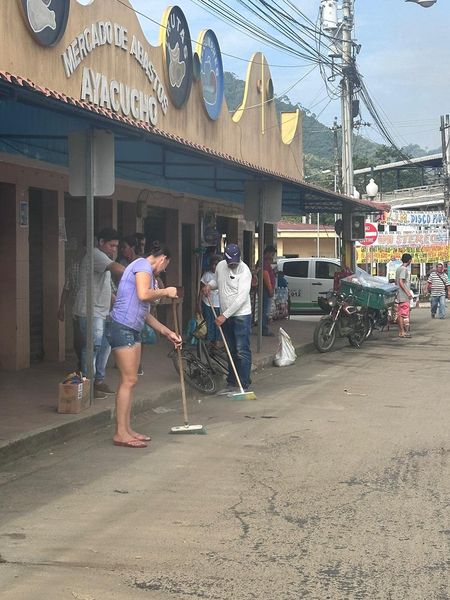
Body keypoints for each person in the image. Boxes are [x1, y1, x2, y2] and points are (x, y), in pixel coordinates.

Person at [107, 241, 181, 448]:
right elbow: (143, 294)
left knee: (130, 381)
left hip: (132, 327)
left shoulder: (143, 270)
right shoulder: (142, 266)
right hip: (122, 326)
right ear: (163, 259)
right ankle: (120, 433)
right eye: (165, 266)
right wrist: (166, 292)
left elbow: (144, 313)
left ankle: (126, 429)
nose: (163, 270)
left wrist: (167, 332)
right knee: (128, 380)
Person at [73, 228, 125, 399]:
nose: (114, 250)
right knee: (92, 347)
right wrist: (137, 272)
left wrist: (117, 302)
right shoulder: (95, 254)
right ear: (101, 242)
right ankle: (87, 385)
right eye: (111, 245)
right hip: (90, 310)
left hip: (102, 311)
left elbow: (106, 287)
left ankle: (98, 381)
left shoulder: (104, 259)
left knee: (105, 345)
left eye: (116, 246)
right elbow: (118, 269)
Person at [204, 243, 253, 392]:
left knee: (241, 350)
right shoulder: (220, 266)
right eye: (230, 263)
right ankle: (232, 382)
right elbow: (217, 281)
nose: (233, 265)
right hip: (225, 316)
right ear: (225, 259)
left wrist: (224, 316)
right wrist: (209, 286)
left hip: (241, 316)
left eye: (235, 263)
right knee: (230, 350)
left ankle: (243, 383)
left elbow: (241, 298)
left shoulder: (245, 271)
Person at [57, 242, 84, 370]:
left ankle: (88, 367)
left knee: (93, 342)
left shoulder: (101, 268)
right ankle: (82, 363)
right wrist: (61, 307)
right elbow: (66, 288)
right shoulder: (74, 267)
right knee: (78, 341)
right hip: (78, 311)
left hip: (96, 312)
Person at [198, 255, 221, 347]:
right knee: (209, 322)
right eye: (212, 264)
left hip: (219, 304)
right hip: (207, 303)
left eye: (216, 264)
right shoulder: (206, 275)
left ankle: (217, 340)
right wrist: (198, 304)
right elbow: (201, 290)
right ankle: (209, 341)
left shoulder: (221, 275)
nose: (214, 266)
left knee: (218, 323)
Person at [395, 253, 414, 338]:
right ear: (409, 260)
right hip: (403, 295)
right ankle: (403, 332)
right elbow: (401, 282)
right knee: (404, 314)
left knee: (400, 314)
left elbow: (396, 282)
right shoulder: (404, 269)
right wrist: (408, 293)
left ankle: (401, 331)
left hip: (399, 294)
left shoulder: (398, 269)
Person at [261, 245, 277, 336]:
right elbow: (265, 275)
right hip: (265, 290)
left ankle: (264, 328)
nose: (272, 256)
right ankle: (264, 329)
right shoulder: (264, 262)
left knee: (265, 310)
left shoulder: (266, 262)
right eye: (272, 254)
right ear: (267, 253)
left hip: (266, 289)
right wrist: (270, 289)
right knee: (265, 311)